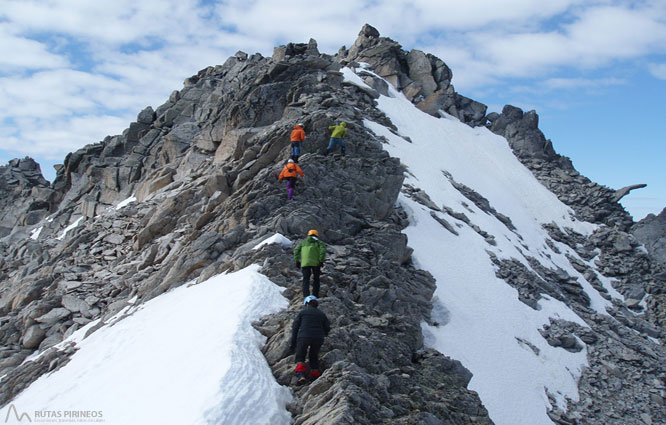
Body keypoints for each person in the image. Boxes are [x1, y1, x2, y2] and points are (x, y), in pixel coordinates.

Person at [290, 295, 330, 383]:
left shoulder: (302, 312)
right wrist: (323, 334)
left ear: (307, 303)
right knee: (314, 355)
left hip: (304, 336)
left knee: (300, 355)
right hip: (318, 337)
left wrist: (293, 343)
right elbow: (327, 327)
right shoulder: (321, 314)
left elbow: (295, 327)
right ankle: (314, 376)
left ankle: (301, 375)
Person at [294, 229, 326, 297]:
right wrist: (321, 261)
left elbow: (296, 251)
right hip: (316, 264)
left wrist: (297, 261)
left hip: (305, 264)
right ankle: (315, 295)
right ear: (316, 236)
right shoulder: (319, 242)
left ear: (308, 235)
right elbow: (323, 251)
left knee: (306, 279)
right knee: (316, 279)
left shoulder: (302, 242)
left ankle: (306, 295)